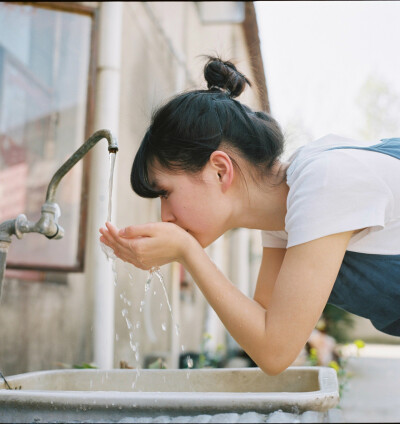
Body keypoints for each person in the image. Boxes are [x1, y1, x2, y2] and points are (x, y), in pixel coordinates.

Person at [99, 56, 400, 375]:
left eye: (166, 193)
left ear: (219, 170)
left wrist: (188, 253)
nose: (165, 216)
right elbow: (264, 326)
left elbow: (275, 350)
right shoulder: (287, 212)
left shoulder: (322, 183)